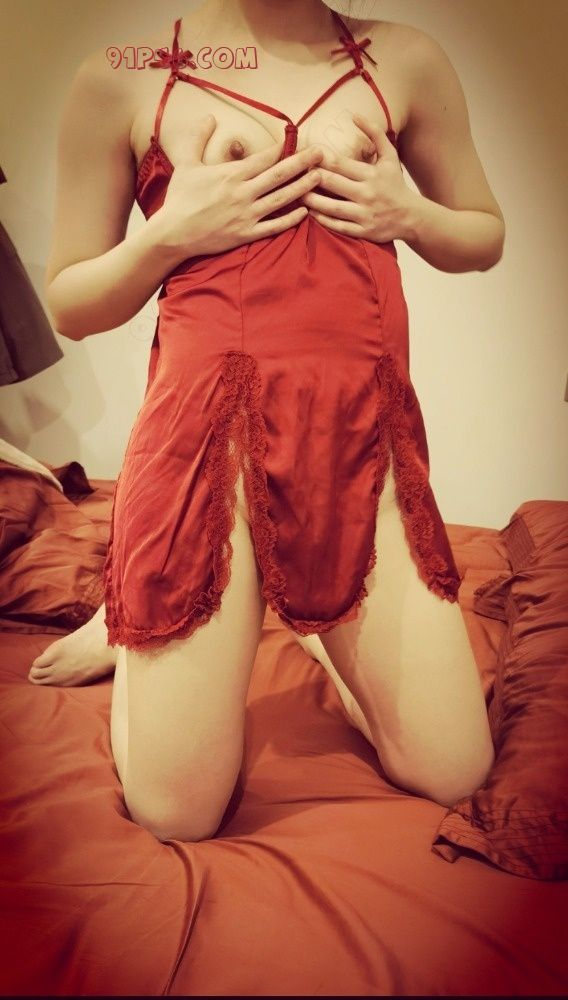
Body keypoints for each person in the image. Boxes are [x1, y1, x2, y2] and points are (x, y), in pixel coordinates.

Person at [40, 0, 505, 843]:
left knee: (454, 771)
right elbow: (70, 303)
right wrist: (171, 236)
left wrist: (410, 215)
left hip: (361, 450)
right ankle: (123, 623)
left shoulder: (404, 59)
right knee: (177, 815)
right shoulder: (121, 76)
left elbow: (482, 234)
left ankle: (307, 621)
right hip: (201, 454)